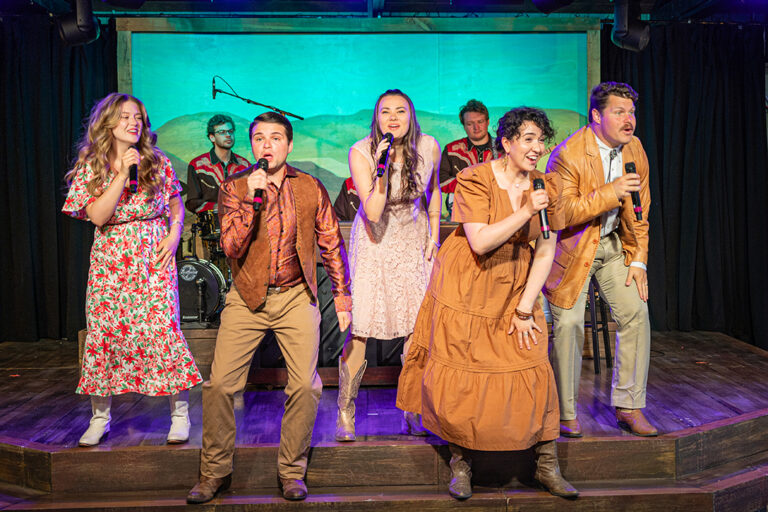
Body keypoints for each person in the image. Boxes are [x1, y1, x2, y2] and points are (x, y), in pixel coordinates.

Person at [397, 107, 578, 500]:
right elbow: (479, 241)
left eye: (541, 140)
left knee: (534, 366)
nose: (537, 148)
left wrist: (525, 308)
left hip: (515, 280)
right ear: (508, 143)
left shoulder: (546, 186)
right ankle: (461, 463)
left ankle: (547, 465)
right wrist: (527, 210)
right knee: (464, 373)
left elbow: (545, 250)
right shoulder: (475, 179)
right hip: (468, 282)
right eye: (528, 139)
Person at [186, 112, 352, 504]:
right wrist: (248, 200)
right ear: (253, 145)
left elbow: (330, 242)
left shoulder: (310, 187)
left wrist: (343, 297)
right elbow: (231, 247)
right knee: (220, 384)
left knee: (307, 386)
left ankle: (292, 471)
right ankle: (214, 473)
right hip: (247, 298)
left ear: (289, 145)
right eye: (259, 138)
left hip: (295, 295)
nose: (267, 145)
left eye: (276, 138)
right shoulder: (237, 186)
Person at [62, 93, 202, 447]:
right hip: (112, 260)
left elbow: (175, 203)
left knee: (162, 329)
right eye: (125, 117)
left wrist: (173, 235)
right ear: (107, 122)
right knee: (105, 333)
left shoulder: (158, 161)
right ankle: (99, 419)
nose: (133, 123)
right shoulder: (91, 166)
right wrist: (122, 173)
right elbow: (97, 216)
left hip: (154, 256)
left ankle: (180, 415)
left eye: (138, 117)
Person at [544, 82, 656, 438]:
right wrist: (611, 192)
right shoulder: (568, 155)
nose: (629, 120)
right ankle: (565, 412)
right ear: (596, 116)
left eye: (632, 112)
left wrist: (638, 260)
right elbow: (560, 215)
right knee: (569, 325)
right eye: (619, 112)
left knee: (636, 313)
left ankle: (629, 405)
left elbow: (640, 211)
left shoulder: (634, 148)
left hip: (610, 245)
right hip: (572, 251)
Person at [335, 89, 441, 442]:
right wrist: (381, 167)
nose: (393, 118)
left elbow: (435, 190)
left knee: (417, 326)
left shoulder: (428, 146)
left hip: (413, 237)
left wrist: (434, 235)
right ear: (376, 118)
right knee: (362, 325)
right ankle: (345, 411)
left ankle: (413, 409)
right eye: (385, 112)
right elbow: (375, 210)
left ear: (411, 116)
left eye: (400, 111)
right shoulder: (361, 152)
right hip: (375, 241)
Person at [439, 99, 498, 216]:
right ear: (464, 126)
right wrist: (470, 186)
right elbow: (441, 181)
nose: (476, 127)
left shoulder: (503, 147)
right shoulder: (451, 150)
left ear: (488, 122)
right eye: (470, 124)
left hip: (498, 210)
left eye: (480, 122)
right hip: (463, 213)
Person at [185, 114, 250, 215]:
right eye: (222, 132)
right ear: (212, 137)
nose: (228, 135)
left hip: (241, 224)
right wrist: (218, 207)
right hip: (211, 225)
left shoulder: (245, 166)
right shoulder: (197, 165)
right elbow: (192, 203)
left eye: (230, 131)